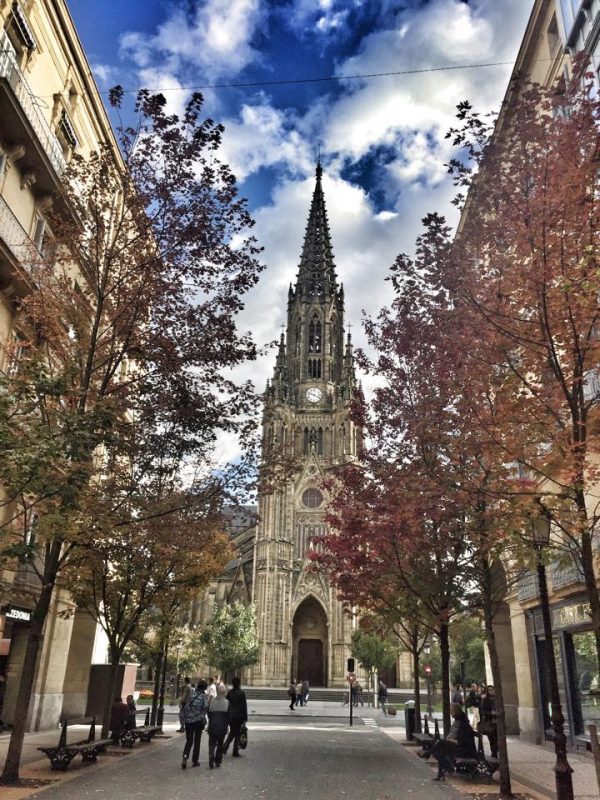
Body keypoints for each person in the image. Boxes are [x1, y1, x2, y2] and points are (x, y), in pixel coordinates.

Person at [430, 703, 477, 781]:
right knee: (439, 748)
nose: (450, 712)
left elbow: (463, 741)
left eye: (451, 710)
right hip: (458, 747)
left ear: (456, 711)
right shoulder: (458, 721)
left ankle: (445, 767)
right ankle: (445, 768)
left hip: (464, 750)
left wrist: (452, 740)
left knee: (439, 746)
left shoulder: (463, 724)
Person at [181, 679, 208, 769]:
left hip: (188, 721)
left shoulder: (191, 694)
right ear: (204, 688)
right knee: (197, 741)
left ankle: (185, 757)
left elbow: (185, 706)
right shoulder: (204, 696)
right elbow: (205, 708)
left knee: (189, 741)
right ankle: (195, 761)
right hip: (198, 721)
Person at [224, 676, 248, 757]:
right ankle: (235, 751)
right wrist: (245, 719)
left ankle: (224, 748)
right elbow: (244, 706)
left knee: (233, 732)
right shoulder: (242, 693)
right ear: (239, 684)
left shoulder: (230, 693)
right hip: (239, 717)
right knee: (237, 734)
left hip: (231, 717)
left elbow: (226, 704)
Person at [207, 684, 230, 768]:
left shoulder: (212, 701)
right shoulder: (227, 703)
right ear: (224, 693)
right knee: (220, 744)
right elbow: (229, 716)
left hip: (213, 725)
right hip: (222, 727)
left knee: (212, 742)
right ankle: (217, 761)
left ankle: (211, 753)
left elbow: (208, 713)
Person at [480, 685, 498, 759]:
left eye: (492, 689)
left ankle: (496, 753)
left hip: (498, 722)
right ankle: (494, 754)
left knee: (497, 739)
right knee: (492, 739)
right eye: (489, 690)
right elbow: (483, 712)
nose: (491, 691)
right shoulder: (486, 700)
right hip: (490, 722)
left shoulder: (498, 699)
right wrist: (491, 713)